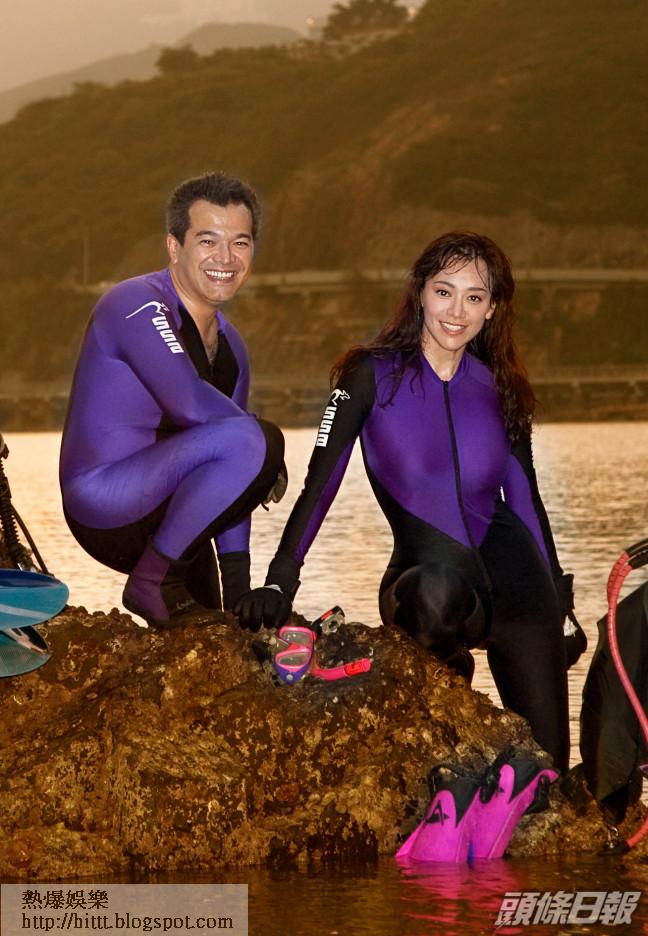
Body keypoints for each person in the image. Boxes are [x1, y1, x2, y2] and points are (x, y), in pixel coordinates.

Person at [236, 232, 584, 772]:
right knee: (435, 595)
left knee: (548, 772)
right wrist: (282, 580)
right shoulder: (368, 376)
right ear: (421, 291)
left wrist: (558, 600)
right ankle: (450, 679)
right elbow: (320, 485)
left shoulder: (501, 387)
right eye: (444, 291)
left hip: (517, 586)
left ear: (492, 308)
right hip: (425, 586)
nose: (456, 311)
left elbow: (524, 497)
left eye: (474, 297)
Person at [59, 172, 285, 629]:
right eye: (208, 241)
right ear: (174, 246)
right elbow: (192, 406)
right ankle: (150, 583)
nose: (226, 258)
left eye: (240, 243)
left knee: (219, 628)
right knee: (255, 438)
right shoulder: (135, 302)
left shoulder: (232, 348)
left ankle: (166, 583)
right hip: (105, 504)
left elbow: (237, 474)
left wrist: (240, 592)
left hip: (175, 524)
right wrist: (267, 455)